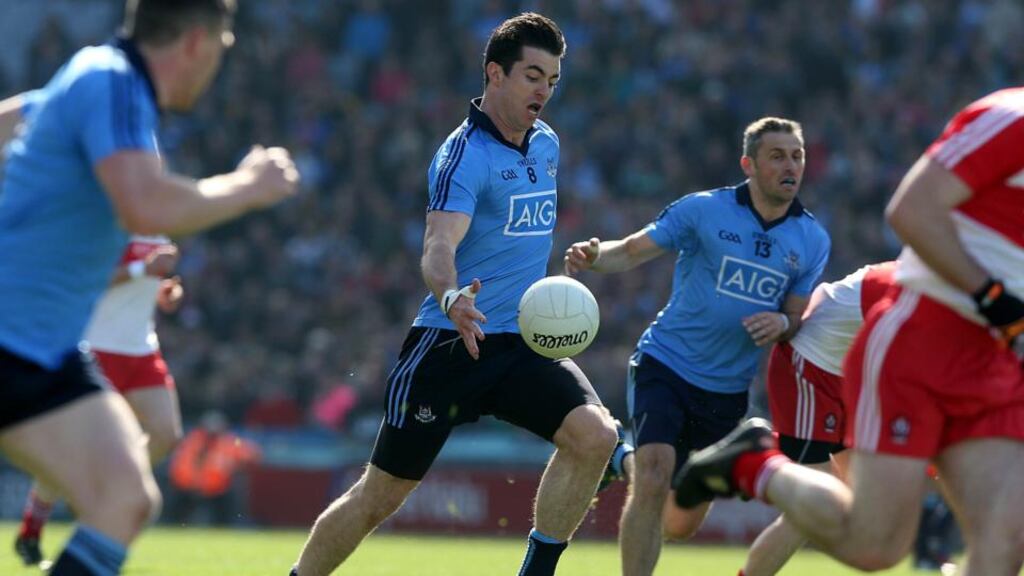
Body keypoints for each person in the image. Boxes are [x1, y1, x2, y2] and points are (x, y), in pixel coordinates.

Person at [291, 13, 618, 576]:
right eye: (533, 76)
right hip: (450, 342)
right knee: (379, 497)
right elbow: (438, 245)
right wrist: (450, 297)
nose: (544, 90)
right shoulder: (464, 154)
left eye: (553, 80)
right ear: (495, 73)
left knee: (596, 436)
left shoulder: (546, 144)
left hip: (521, 342)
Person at [0, 1, 299, 574]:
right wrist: (248, 185)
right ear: (194, 41)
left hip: (43, 347)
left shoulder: (96, 75)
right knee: (121, 498)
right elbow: (144, 205)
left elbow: (11, 122)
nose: (220, 61)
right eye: (223, 46)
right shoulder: (114, 82)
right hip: (15, 339)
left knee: (127, 498)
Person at [674, 87, 1024, 576]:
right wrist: (996, 300)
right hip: (913, 344)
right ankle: (752, 463)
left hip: (994, 361)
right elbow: (911, 209)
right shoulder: (1011, 117)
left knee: (1006, 541)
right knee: (874, 545)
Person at [564, 117, 830, 576]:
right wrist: (594, 257)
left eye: (797, 156)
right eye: (777, 156)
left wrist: (783, 323)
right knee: (653, 478)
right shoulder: (704, 210)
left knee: (679, 524)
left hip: (726, 393)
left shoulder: (812, 239)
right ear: (749, 164)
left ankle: (622, 460)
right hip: (665, 365)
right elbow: (631, 249)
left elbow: (795, 317)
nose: (791, 165)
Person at [14, 237, 185, 566]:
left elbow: (140, 287)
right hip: (96, 349)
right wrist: (143, 269)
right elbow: (90, 280)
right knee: (70, 449)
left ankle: (110, 499)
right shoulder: (113, 227)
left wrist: (162, 291)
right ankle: (32, 528)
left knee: (166, 434)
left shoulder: (161, 233)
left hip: (142, 352)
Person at [741, 261, 895, 576]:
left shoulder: (928, 282)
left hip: (846, 376)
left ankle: (754, 459)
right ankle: (746, 462)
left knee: (866, 504)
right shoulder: (910, 289)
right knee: (814, 506)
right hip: (808, 370)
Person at [168, 411, 261, 526]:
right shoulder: (193, 442)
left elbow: (252, 454)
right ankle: (174, 524)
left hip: (217, 490)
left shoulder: (227, 442)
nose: (212, 436)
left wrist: (234, 465)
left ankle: (229, 525)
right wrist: (195, 484)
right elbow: (181, 467)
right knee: (177, 512)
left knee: (227, 507)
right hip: (189, 489)